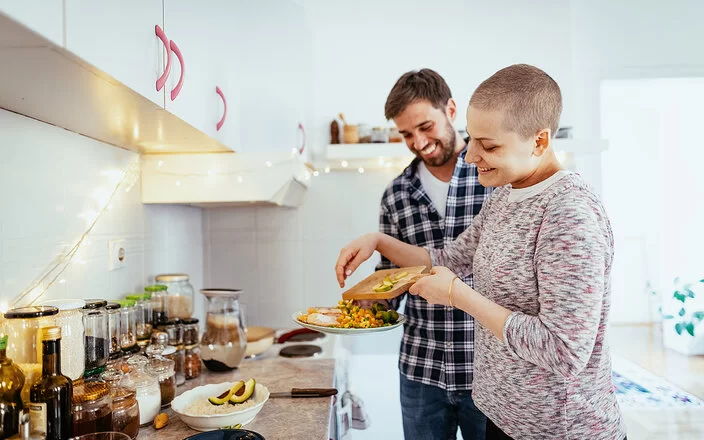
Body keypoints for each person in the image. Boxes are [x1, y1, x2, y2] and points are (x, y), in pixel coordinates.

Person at [336, 64, 626, 440]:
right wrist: (378, 241)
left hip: (556, 428)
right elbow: (449, 259)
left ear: (538, 142)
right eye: (471, 139)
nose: (471, 156)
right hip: (501, 415)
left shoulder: (569, 213)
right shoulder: (504, 196)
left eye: (488, 146)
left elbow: (564, 351)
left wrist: (458, 295)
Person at [358, 68, 492, 439]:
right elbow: (392, 279)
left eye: (425, 127)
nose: (418, 141)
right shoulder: (397, 194)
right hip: (421, 370)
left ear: (451, 109)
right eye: (406, 134)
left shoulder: (493, 177)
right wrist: (368, 306)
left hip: (489, 367)